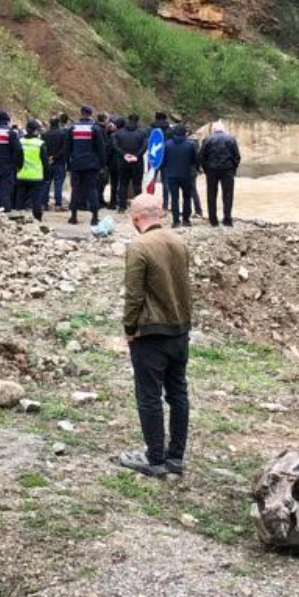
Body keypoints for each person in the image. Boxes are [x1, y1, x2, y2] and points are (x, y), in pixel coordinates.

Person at [118, 193, 191, 480]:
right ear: (160, 213)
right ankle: (176, 457)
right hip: (180, 328)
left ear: (136, 219)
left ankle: (155, 458)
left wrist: (129, 328)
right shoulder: (179, 241)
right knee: (178, 393)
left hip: (150, 332)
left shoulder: (139, 246)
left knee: (149, 395)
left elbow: (134, 294)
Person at [67, 105, 105, 228]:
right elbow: (101, 148)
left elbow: (67, 147)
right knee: (92, 189)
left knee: (75, 189)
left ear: (81, 113)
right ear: (90, 114)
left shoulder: (73, 128)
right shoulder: (95, 128)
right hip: (91, 164)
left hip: (76, 163)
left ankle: (73, 216)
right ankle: (94, 218)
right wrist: (102, 164)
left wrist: (68, 163)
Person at [199, 119, 242, 228]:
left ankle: (213, 220)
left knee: (211, 195)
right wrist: (233, 169)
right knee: (227, 195)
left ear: (213, 130)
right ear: (223, 129)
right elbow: (236, 156)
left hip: (212, 170)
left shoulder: (207, 139)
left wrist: (206, 169)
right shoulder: (231, 139)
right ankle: (227, 218)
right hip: (227, 170)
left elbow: (201, 156)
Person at [163, 124, 199, 229]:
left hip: (171, 175)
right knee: (187, 197)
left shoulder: (167, 144)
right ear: (185, 133)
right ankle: (186, 220)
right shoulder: (190, 145)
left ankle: (175, 221)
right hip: (186, 175)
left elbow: (164, 160)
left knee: (174, 198)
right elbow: (194, 160)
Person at [14, 118, 47, 222]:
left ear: (26, 129)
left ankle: (18, 221)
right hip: (36, 177)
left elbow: (16, 158)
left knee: (20, 201)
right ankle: (38, 221)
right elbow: (45, 161)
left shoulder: (20, 142)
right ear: (36, 130)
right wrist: (46, 176)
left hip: (21, 175)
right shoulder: (40, 143)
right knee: (36, 201)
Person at [112, 113, 146, 212]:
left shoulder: (119, 133)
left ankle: (121, 207)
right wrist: (137, 155)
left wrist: (124, 155)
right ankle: (138, 207)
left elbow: (115, 146)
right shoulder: (142, 133)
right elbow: (145, 146)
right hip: (137, 162)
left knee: (122, 184)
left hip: (123, 161)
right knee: (137, 184)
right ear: (137, 121)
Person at [43, 115, 69, 211]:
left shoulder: (44, 134)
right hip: (59, 162)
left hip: (48, 162)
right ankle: (58, 204)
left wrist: (48, 157)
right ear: (58, 123)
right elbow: (64, 148)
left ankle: (43, 204)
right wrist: (56, 156)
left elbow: (43, 148)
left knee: (46, 183)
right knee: (58, 183)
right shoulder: (63, 134)